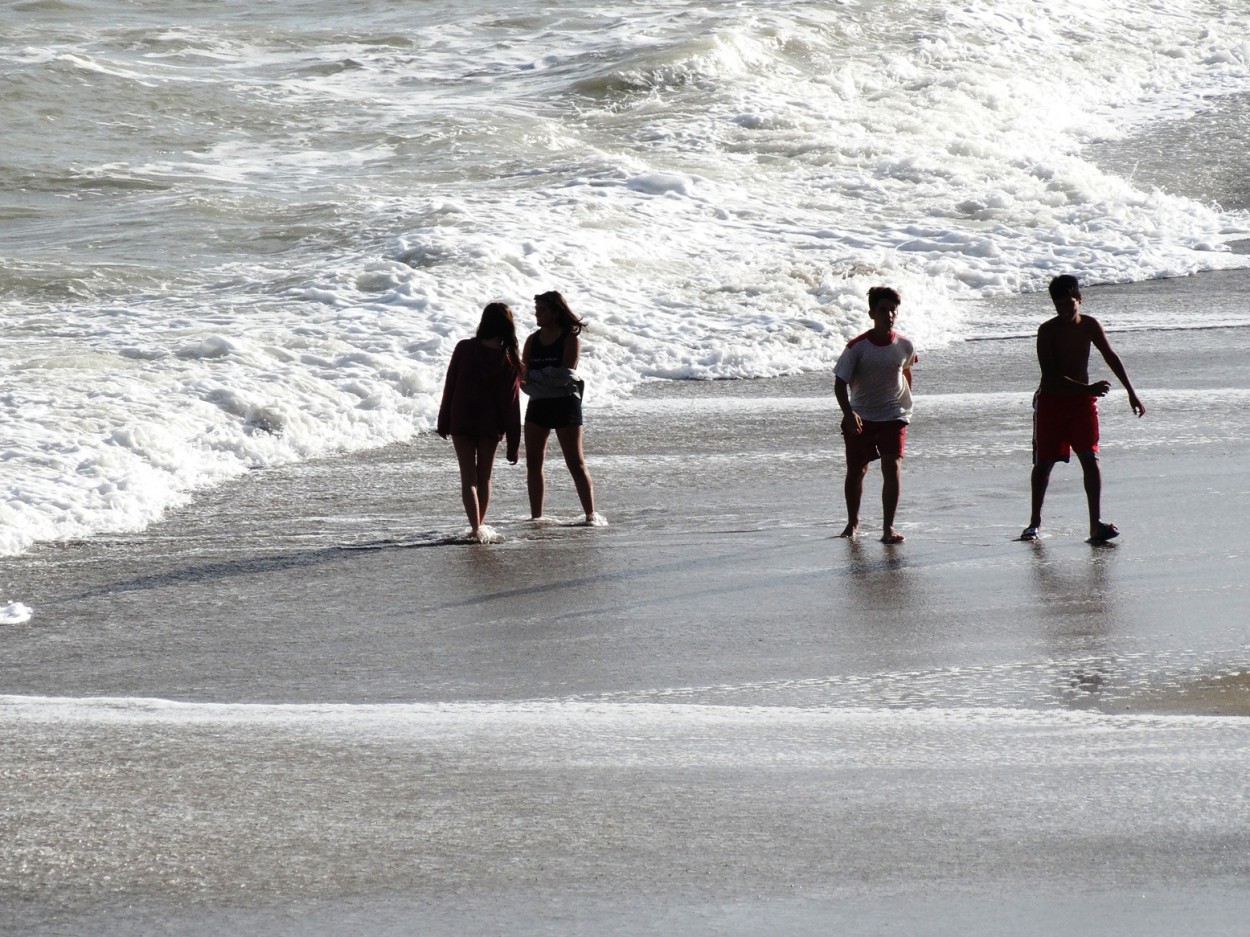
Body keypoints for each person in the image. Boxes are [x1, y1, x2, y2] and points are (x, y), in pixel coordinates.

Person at [1021, 275, 1145, 543]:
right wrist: (1087, 389)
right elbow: (1051, 375)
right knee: (1043, 463)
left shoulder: (1090, 325)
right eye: (1059, 306)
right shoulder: (1047, 331)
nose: (1065, 311)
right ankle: (1034, 523)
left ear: (1080, 300)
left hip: (1081, 404)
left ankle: (1095, 525)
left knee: (1090, 459)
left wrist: (1131, 393)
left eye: (1070, 304)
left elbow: (1110, 355)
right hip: (1052, 403)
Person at [834, 286, 918, 544]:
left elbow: (905, 371)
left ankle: (888, 528)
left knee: (892, 466)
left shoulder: (904, 345)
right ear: (872, 313)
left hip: (893, 415)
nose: (889, 314)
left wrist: (903, 405)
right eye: (883, 310)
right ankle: (853, 522)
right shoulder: (857, 347)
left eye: (893, 310)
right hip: (861, 417)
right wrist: (849, 414)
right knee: (856, 471)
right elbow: (839, 383)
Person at [437, 302, 522, 539]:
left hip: (462, 420)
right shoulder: (509, 360)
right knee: (484, 478)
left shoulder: (464, 348)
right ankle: (479, 527)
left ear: (484, 322)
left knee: (468, 479)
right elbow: (512, 407)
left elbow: (450, 386)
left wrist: (443, 420)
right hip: (490, 425)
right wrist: (514, 445)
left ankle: (475, 527)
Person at [522, 290, 601, 524]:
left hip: (566, 404)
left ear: (556, 312)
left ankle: (591, 515)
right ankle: (536, 517)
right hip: (538, 406)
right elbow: (524, 376)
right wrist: (545, 379)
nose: (537, 314)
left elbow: (566, 374)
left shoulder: (569, 339)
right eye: (536, 310)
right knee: (534, 463)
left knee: (575, 462)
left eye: (542, 310)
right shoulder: (532, 340)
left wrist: (540, 379)